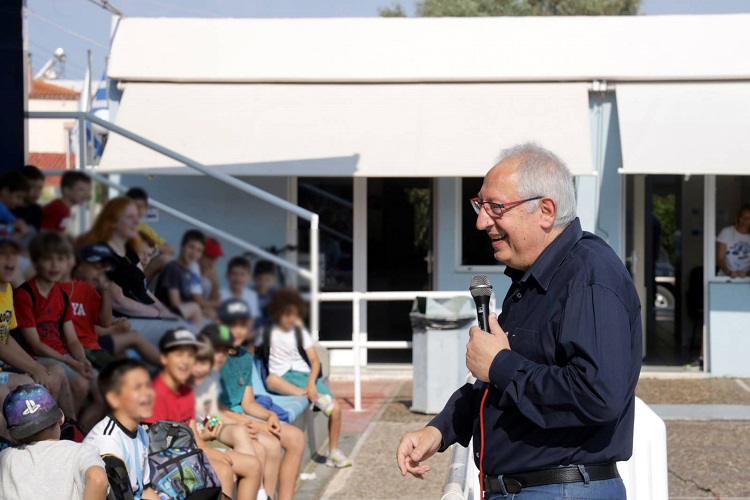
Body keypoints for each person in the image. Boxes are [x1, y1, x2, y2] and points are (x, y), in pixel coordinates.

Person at [396, 144, 641, 499]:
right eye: (480, 206)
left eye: (496, 207)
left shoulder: (590, 275)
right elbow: (502, 385)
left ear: (545, 210)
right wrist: (441, 430)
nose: (481, 221)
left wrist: (500, 364)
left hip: (561, 490)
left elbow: (597, 394)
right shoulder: (534, 278)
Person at [144, 328, 262, 500]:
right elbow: (159, 447)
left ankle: (263, 494)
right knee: (225, 467)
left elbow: (208, 411)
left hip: (196, 441)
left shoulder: (194, 385)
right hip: (172, 459)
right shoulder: (156, 393)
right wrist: (211, 434)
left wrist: (212, 426)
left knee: (252, 461)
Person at [215, 301, 305, 500]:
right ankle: (265, 495)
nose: (239, 331)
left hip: (240, 414)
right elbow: (212, 409)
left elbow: (248, 403)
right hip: (221, 418)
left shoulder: (244, 357)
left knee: (296, 437)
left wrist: (269, 415)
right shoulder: (214, 356)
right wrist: (255, 424)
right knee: (269, 444)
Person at [14, 233, 102, 429]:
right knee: (80, 384)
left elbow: (72, 340)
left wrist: (82, 360)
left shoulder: (61, 296)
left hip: (62, 355)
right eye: (48, 259)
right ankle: (68, 429)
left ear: (67, 264)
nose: (54, 265)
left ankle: (80, 432)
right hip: (36, 357)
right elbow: (34, 343)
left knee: (106, 392)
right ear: (36, 262)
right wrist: (70, 361)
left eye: (60, 259)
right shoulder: (24, 294)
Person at [260, 289, 350, 468]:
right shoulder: (267, 331)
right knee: (272, 380)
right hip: (282, 376)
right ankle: (313, 399)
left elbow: (315, 361)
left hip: (304, 375)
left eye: (294, 314)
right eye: (287, 314)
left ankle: (333, 452)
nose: (291, 319)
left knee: (337, 409)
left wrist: (311, 383)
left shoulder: (300, 331)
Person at [79, 197, 185, 344]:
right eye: (129, 217)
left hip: (140, 314)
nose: (136, 222)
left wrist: (164, 311)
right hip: (120, 320)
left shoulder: (129, 252)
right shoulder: (102, 252)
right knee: (180, 333)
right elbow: (118, 301)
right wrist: (158, 314)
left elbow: (145, 289)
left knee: (184, 326)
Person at [0, 236, 79, 421]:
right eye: (3, 254)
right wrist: (34, 367)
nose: (10, 259)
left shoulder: (7, 289)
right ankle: (31, 439)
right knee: (28, 385)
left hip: (3, 367)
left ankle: (67, 428)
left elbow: (6, 338)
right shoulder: (22, 293)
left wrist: (37, 367)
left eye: (13, 254)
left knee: (56, 373)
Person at [191, 331, 270, 500]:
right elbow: (196, 411)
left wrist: (214, 422)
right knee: (253, 446)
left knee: (248, 438)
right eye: (218, 350)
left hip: (206, 427)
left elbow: (209, 411)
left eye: (225, 350)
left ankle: (260, 494)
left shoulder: (210, 375)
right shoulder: (193, 373)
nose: (222, 356)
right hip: (193, 435)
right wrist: (209, 424)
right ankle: (260, 495)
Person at [0, 383, 108, 499]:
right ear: (61, 418)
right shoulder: (81, 451)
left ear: (14, 437)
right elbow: (98, 480)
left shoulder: (6, 457)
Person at [62, 244, 161, 369]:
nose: (101, 274)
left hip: (91, 344)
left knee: (124, 357)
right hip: (79, 347)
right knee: (129, 351)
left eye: (105, 269)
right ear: (79, 265)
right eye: (97, 267)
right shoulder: (64, 288)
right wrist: (112, 330)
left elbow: (105, 321)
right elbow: (75, 329)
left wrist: (106, 291)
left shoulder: (90, 289)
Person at [85, 359, 160, 500]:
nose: (148, 393)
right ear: (114, 398)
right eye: (137, 387)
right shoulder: (107, 442)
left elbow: (144, 490)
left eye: (148, 385)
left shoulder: (141, 432)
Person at [154, 229, 206, 325]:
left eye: (199, 250)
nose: (194, 253)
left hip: (180, 315)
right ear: (182, 246)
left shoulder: (187, 272)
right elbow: (175, 305)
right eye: (191, 247)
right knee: (195, 307)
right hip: (166, 315)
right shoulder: (172, 268)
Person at [125, 187, 176, 281]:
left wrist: (151, 248)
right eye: (134, 206)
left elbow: (171, 250)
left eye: (141, 207)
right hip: (121, 271)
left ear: (146, 209)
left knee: (166, 258)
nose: (138, 210)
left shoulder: (144, 229)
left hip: (141, 272)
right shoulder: (117, 226)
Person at [220, 256, 260, 333]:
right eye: (234, 274)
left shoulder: (252, 295)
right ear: (227, 275)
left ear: (249, 277)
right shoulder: (220, 294)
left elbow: (252, 319)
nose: (238, 278)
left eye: (242, 274)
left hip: (243, 333)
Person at [716, 204, 750, 278]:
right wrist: (729, 272)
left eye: (748, 218)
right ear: (738, 217)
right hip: (725, 278)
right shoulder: (726, 232)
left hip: (746, 280)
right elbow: (720, 259)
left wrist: (746, 274)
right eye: (742, 217)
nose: (744, 220)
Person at [193, 237, 223, 318]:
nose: (213, 262)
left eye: (215, 258)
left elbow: (215, 300)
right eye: (210, 257)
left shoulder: (210, 274)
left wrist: (215, 282)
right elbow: (196, 301)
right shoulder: (191, 269)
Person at [12, 164, 45, 233]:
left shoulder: (38, 211)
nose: (36, 192)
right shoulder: (9, 208)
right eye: (32, 186)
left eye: (40, 188)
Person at [0, 170, 30, 238]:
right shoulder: (2, 209)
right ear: (5, 191)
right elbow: (18, 224)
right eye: (18, 197)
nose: (20, 202)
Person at [252, 260, 277, 332]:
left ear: (273, 279)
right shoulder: (248, 294)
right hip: (252, 333)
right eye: (259, 279)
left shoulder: (277, 295)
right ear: (254, 278)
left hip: (271, 333)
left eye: (267, 280)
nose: (263, 283)